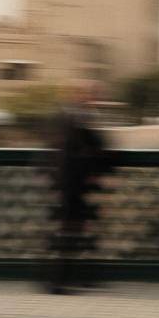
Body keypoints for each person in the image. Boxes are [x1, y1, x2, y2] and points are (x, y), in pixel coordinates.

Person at [47, 80, 115, 295]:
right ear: (80, 93)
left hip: (72, 184)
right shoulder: (74, 116)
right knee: (70, 232)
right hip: (72, 185)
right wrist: (91, 174)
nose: (96, 96)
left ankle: (77, 278)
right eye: (92, 92)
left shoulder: (76, 115)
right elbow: (77, 151)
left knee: (76, 231)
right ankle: (59, 281)